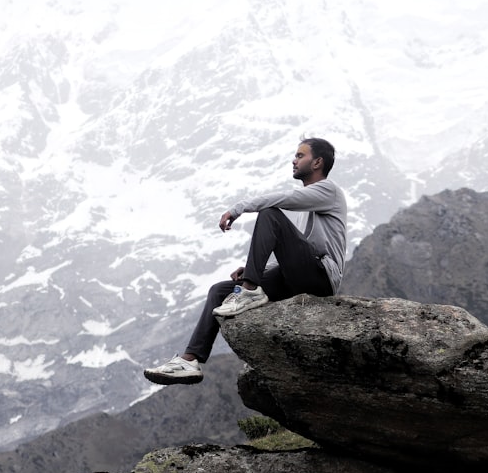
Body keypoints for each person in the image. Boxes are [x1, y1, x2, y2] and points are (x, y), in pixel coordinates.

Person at [143, 137, 347, 385]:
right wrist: (257, 269)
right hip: (298, 276)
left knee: (270, 213)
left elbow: (281, 205)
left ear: (317, 162)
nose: (293, 160)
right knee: (219, 291)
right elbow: (303, 251)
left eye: (300, 156)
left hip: (321, 279)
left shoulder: (329, 191)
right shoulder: (308, 202)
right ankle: (189, 361)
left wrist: (239, 208)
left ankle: (250, 290)